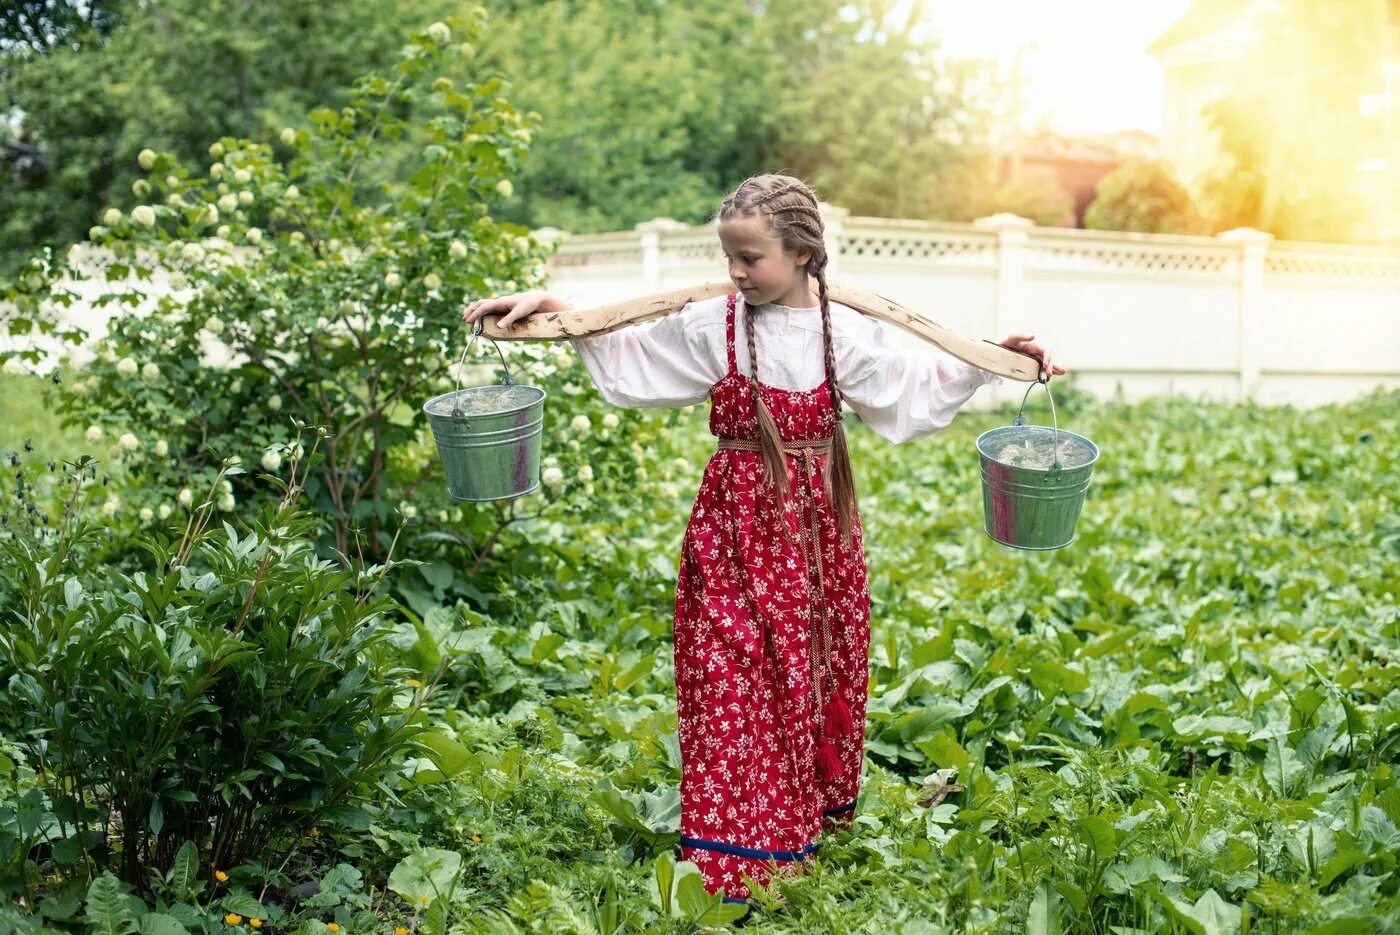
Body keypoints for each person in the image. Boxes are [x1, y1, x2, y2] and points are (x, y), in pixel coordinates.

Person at [463, 174, 1065, 905]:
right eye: (730, 258)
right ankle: (731, 846)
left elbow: (910, 387)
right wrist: (560, 311)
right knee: (726, 671)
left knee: (807, 673)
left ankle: (796, 824)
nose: (737, 273)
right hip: (733, 530)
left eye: (751, 258)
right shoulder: (712, 324)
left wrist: (989, 358)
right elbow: (632, 357)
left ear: (804, 252)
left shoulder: (844, 332)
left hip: (815, 536)